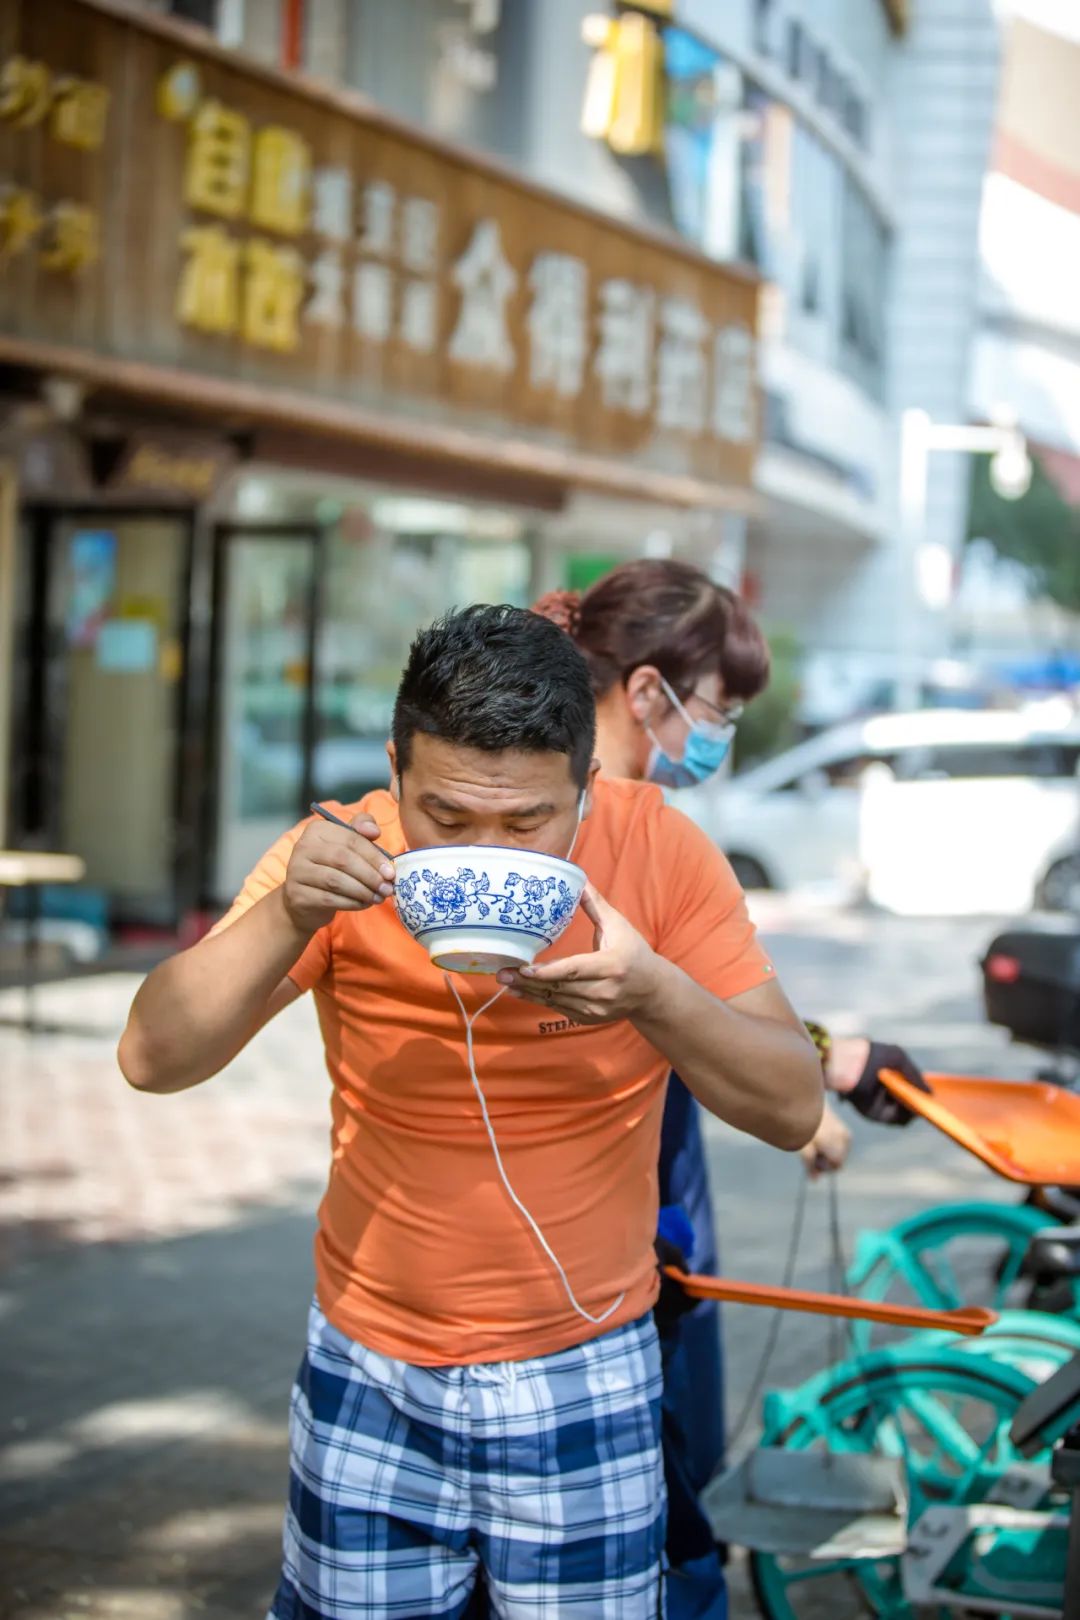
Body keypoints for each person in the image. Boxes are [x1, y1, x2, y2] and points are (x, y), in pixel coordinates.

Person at [119, 603, 824, 1620]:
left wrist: (655, 994)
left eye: (529, 823)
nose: (484, 850)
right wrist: (286, 913)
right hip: (370, 1365)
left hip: (587, 1364)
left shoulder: (662, 855)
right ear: (396, 775)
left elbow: (792, 1107)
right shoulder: (337, 858)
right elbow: (151, 1056)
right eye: (446, 820)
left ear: (589, 788)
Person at [532, 562, 928, 1619]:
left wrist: (819, 1058)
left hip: (659, 1181)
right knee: (664, 1513)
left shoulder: (659, 827)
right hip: (607, 1229)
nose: (725, 738)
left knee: (675, 1483)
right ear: (649, 693)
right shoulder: (592, 830)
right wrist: (814, 1063)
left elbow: (717, 998)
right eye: (720, 711)